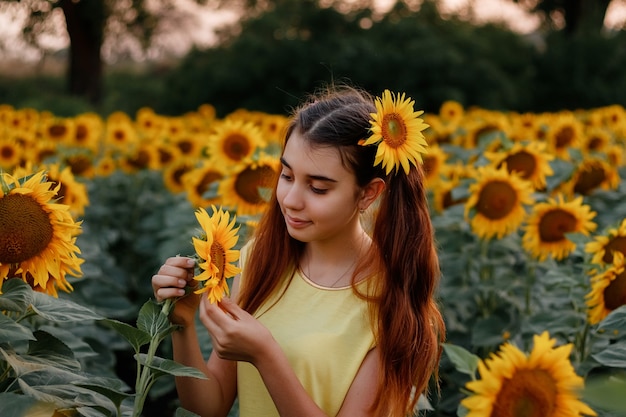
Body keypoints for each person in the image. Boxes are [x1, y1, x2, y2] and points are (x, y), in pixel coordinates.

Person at [152, 85, 446, 417]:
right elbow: (211, 404)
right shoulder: (259, 259)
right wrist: (182, 323)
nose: (291, 199)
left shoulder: (391, 298)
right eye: (287, 175)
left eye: (318, 188)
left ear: (368, 194)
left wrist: (265, 355)